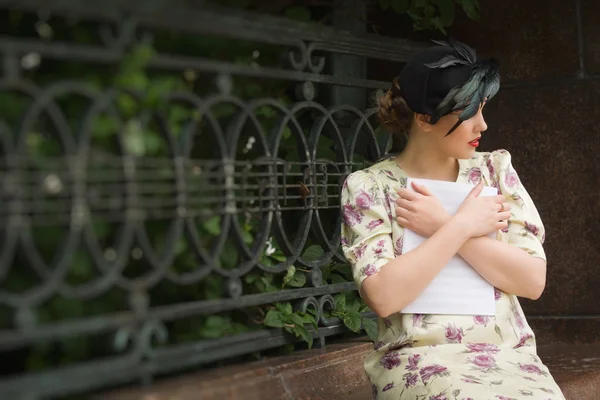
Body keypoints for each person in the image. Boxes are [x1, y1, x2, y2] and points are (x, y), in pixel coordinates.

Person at [340, 39, 565, 399]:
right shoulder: (370, 187)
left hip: (508, 357)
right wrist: (459, 225)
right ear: (424, 118)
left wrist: (442, 224)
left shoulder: (495, 170)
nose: (483, 125)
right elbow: (383, 296)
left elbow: (532, 280)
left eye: (484, 109)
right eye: (470, 113)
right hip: (417, 361)